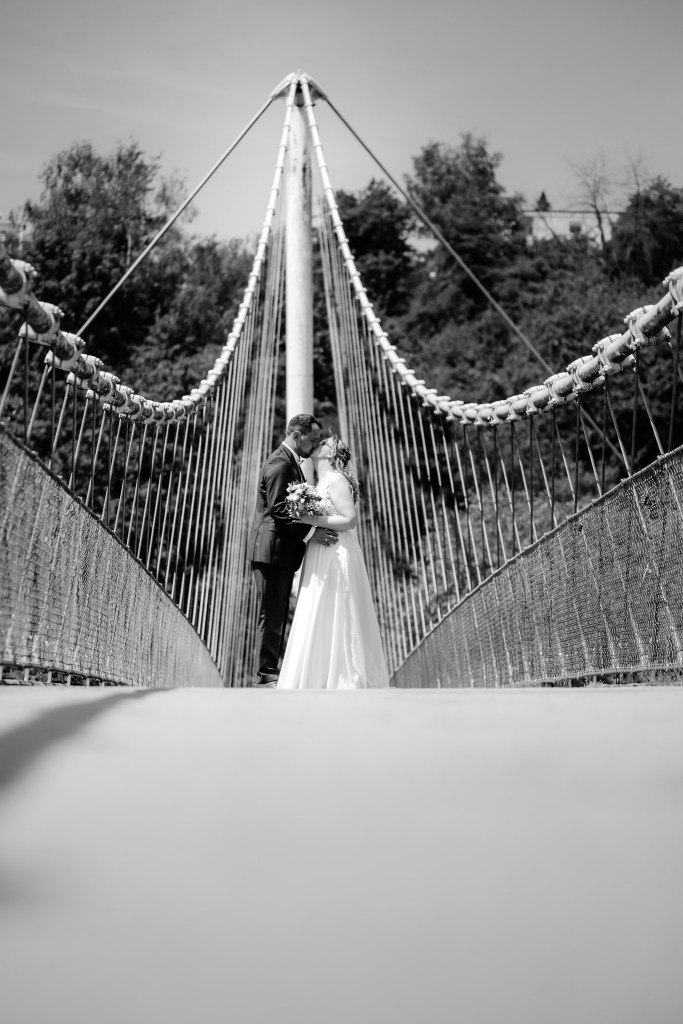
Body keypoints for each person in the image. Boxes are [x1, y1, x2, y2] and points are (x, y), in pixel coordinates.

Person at [277, 435, 390, 690]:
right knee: (319, 608)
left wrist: (311, 520)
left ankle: (342, 675)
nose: (318, 443)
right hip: (320, 552)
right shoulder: (320, 482)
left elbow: (350, 520)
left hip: (336, 553)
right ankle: (318, 674)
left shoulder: (336, 480)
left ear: (330, 454)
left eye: (324, 442)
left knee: (338, 609)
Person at [248, 414, 338, 688]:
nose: (315, 445)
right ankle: (266, 674)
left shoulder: (290, 462)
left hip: (280, 552)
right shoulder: (280, 464)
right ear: (297, 435)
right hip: (271, 551)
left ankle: (271, 671)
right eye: (313, 439)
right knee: (271, 614)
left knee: (277, 612)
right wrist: (312, 533)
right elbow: (278, 509)